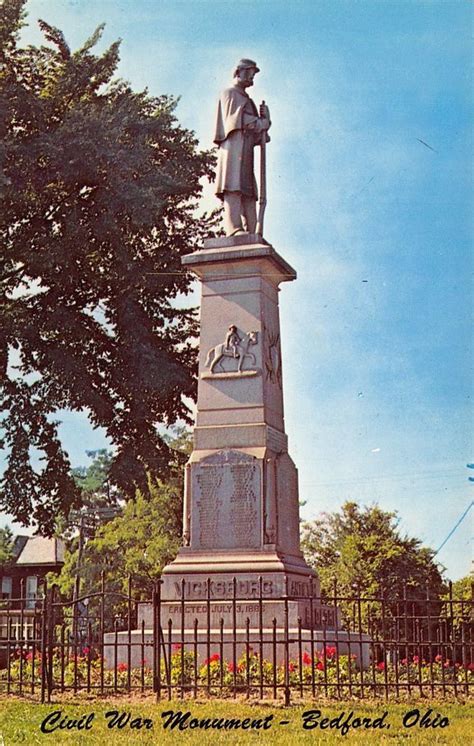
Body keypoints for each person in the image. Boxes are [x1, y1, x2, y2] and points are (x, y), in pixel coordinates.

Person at [214, 59, 270, 236]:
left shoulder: (248, 100)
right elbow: (237, 120)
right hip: (233, 148)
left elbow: (256, 132)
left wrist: (263, 123)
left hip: (245, 150)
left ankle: (253, 231)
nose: (252, 77)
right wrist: (262, 123)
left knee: (248, 190)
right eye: (249, 72)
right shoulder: (229, 93)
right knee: (233, 185)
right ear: (238, 72)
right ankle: (234, 227)